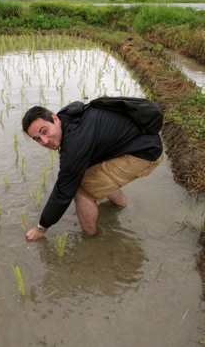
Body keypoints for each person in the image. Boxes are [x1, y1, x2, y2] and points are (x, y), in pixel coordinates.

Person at [22, 100, 164, 241]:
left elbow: (63, 191)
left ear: (54, 119)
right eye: (37, 139)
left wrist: (42, 227)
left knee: (81, 192)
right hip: (140, 141)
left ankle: (91, 240)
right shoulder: (69, 115)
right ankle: (124, 206)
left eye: (44, 131)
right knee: (88, 172)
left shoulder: (75, 142)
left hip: (143, 154)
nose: (45, 140)